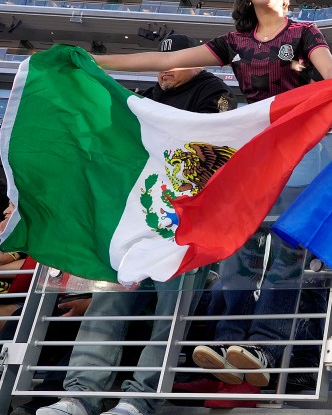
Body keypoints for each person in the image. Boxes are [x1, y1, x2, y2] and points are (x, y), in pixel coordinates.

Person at [89, 0, 332, 388]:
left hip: (301, 155)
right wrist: (95, 61)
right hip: (252, 157)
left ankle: (264, 346)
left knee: (285, 253)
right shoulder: (235, 43)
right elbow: (166, 59)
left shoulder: (304, 32)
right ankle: (228, 341)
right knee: (237, 248)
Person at [37, 34, 235, 415]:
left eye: (171, 63)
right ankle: (79, 394)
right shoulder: (146, 97)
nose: (163, 71)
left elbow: (208, 145)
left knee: (169, 314)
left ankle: (140, 397)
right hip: (140, 220)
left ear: (198, 64)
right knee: (108, 302)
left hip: (186, 225)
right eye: (158, 64)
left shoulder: (213, 92)